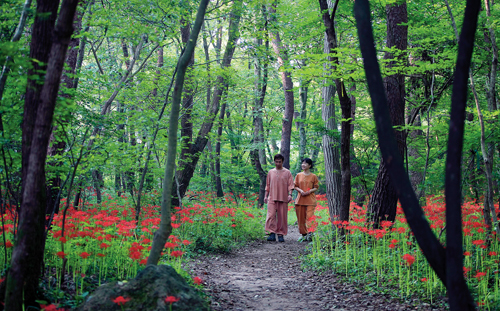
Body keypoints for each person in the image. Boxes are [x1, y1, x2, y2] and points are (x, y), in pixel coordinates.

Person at [264, 154, 294, 242]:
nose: (278, 163)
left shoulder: (287, 172)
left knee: (282, 217)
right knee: (271, 215)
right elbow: (268, 185)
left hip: (283, 198)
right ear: (274, 162)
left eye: (279, 162)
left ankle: (280, 234)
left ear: (282, 162)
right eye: (276, 162)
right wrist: (265, 196)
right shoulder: (270, 172)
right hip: (272, 198)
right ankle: (272, 233)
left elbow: (290, 185)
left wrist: (290, 195)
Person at [294, 158, 319, 242]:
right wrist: (301, 191)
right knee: (300, 218)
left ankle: (311, 234)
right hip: (300, 199)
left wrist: (309, 191)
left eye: (305, 163)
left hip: (310, 200)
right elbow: (295, 185)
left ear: (310, 165)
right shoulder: (298, 175)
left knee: (310, 217)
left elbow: (316, 187)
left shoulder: (313, 176)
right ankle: (304, 234)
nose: (303, 165)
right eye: (302, 163)